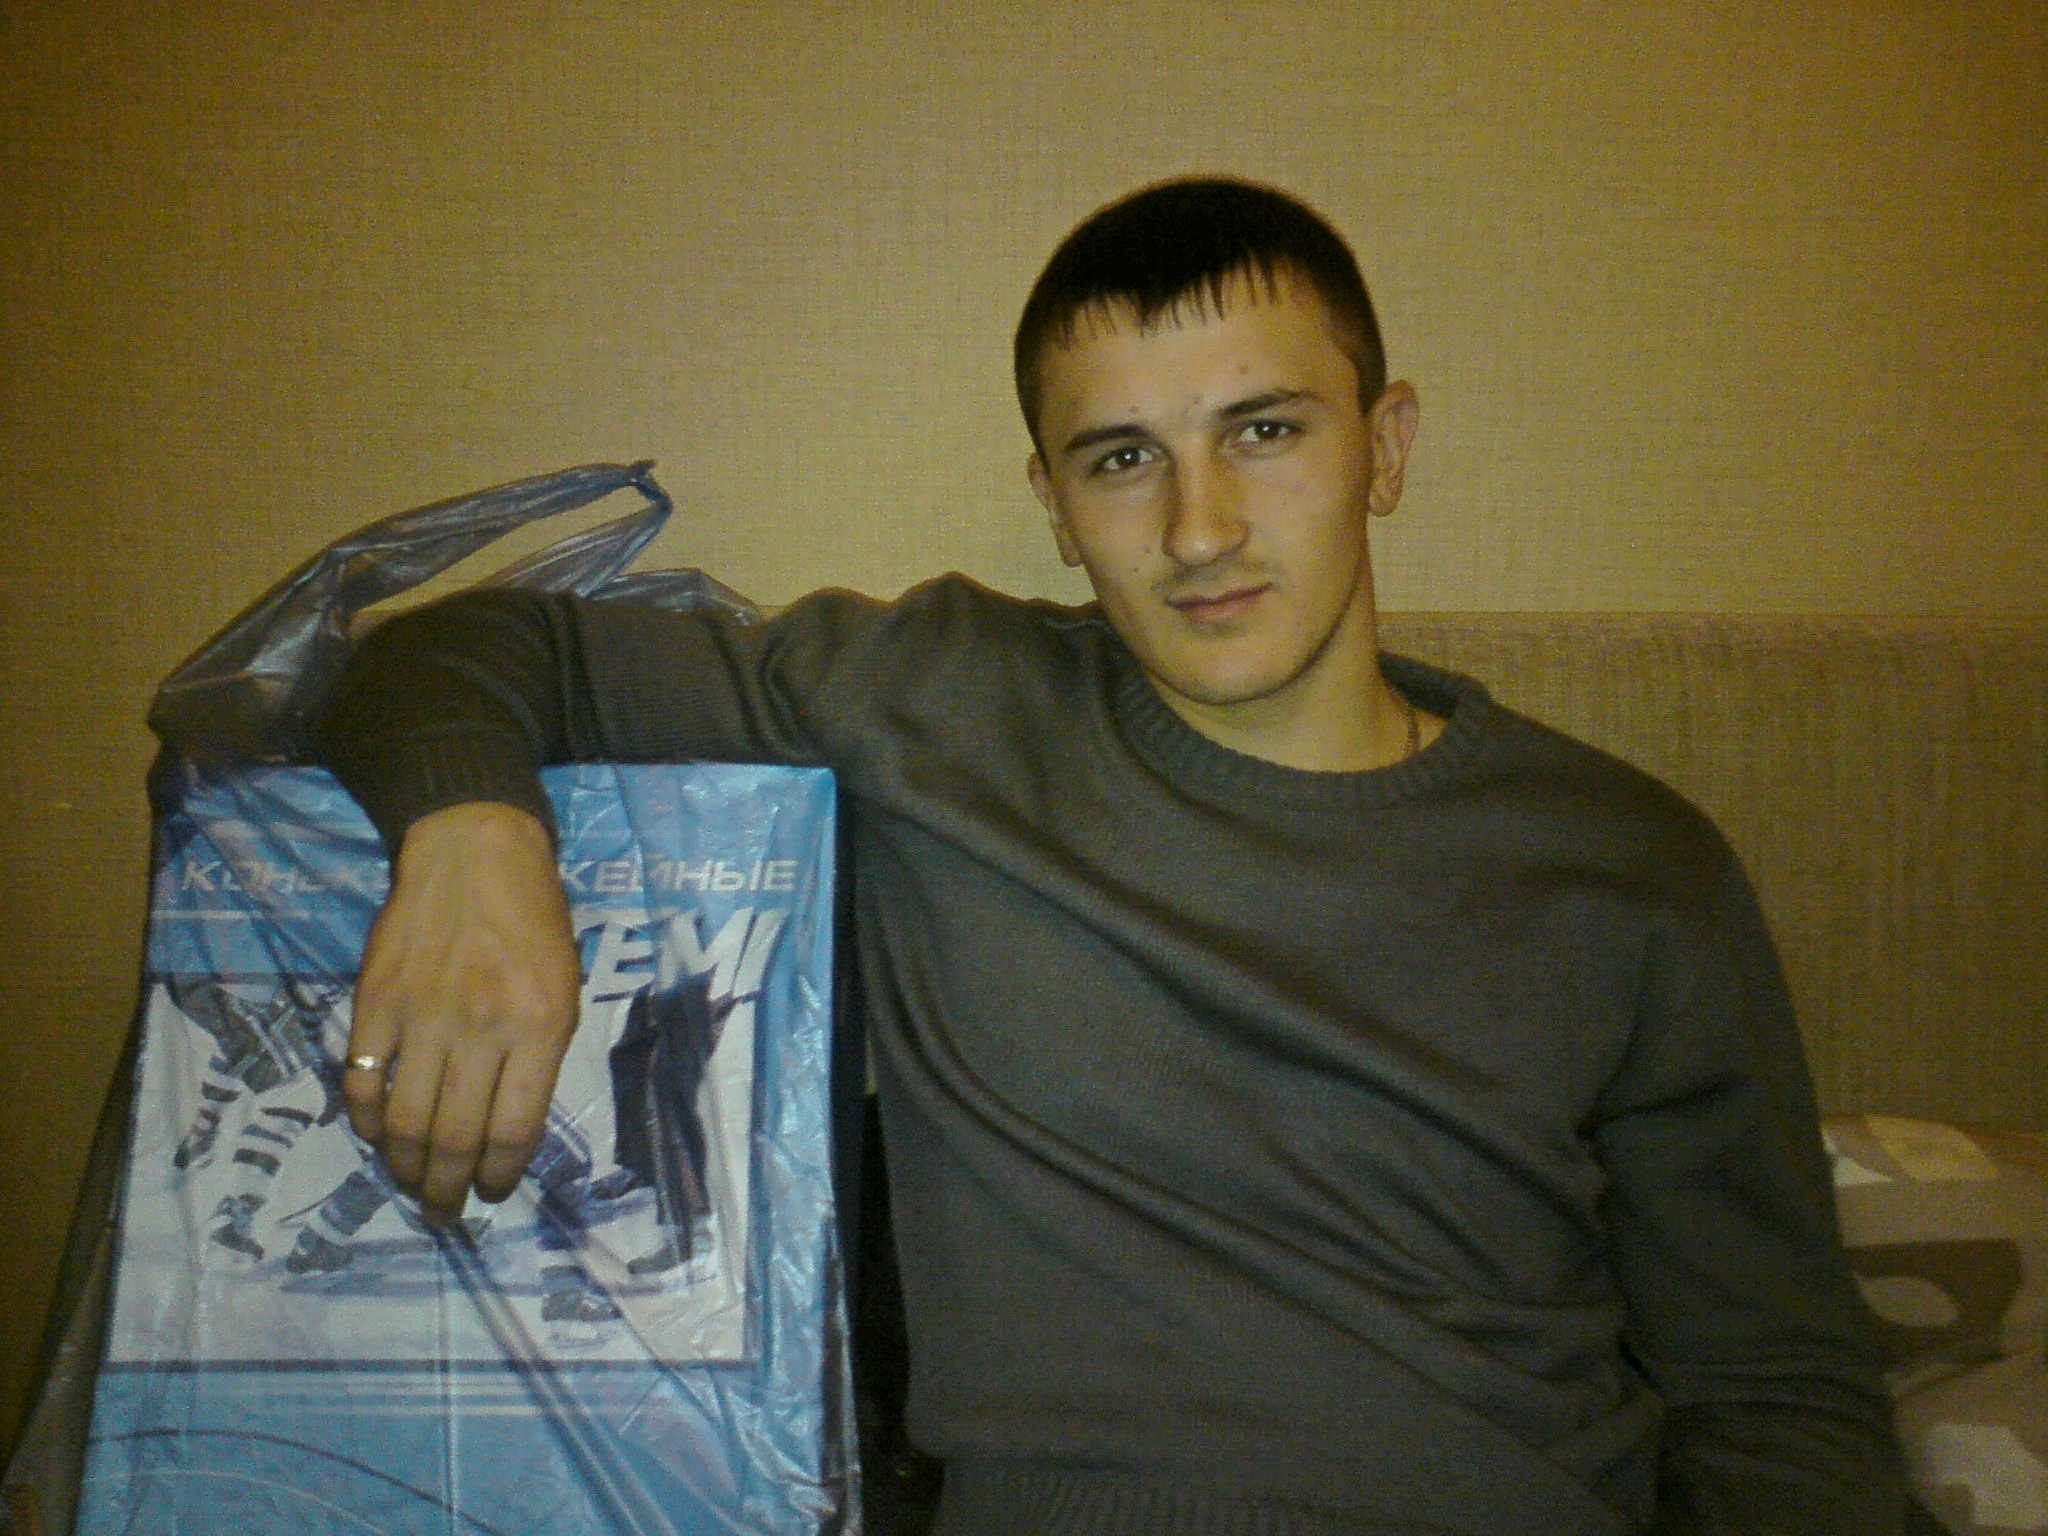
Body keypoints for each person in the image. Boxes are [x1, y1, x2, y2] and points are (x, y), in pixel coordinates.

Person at [315, 177, 1925, 1534]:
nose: (1199, 528)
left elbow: (1777, 1391)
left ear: (1386, 446)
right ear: (1053, 500)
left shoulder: (1629, 868)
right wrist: (472, 853)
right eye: (1123, 458)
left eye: (1264, 430)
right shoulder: (942, 699)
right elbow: (443, 652)